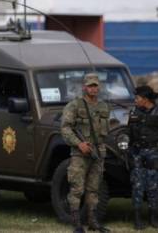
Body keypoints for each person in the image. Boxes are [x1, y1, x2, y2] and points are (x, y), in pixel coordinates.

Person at [60, 73, 110, 233]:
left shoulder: (103, 106)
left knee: (93, 189)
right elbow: (65, 128)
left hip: (98, 153)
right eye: (90, 86)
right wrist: (79, 143)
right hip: (80, 154)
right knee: (77, 189)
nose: (93, 89)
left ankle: (93, 221)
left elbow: (106, 130)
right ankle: (76, 223)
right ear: (84, 87)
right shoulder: (75, 105)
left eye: (95, 85)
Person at [128, 85, 158, 230]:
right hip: (137, 153)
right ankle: (137, 218)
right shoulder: (134, 112)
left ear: (145, 99)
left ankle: (154, 217)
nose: (135, 100)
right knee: (137, 185)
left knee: (154, 185)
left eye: (137, 98)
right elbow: (129, 132)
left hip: (153, 152)